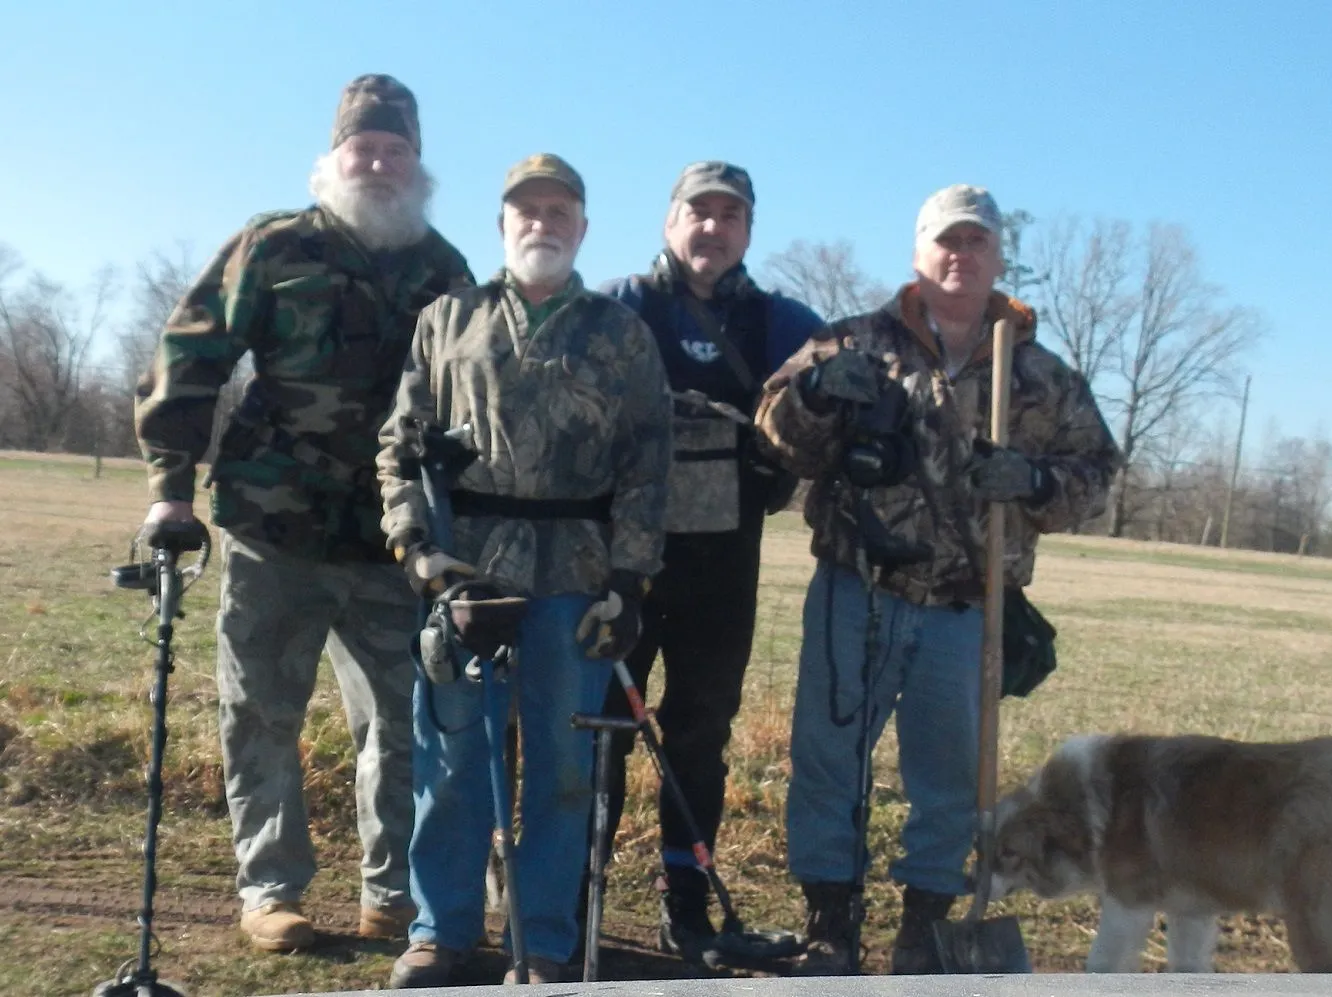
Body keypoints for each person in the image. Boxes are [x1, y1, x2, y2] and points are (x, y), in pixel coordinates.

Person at [132, 74, 472, 952]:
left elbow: (471, 402)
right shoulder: (272, 245)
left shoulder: (444, 270)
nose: (381, 162)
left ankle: (391, 892)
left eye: (397, 150)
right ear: (335, 157)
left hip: (390, 542)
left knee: (403, 725)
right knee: (262, 715)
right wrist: (170, 485)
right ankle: (270, 890)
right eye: (366, 146)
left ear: (417, 164)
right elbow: (189, 354)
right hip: (270, 527)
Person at [753, 184, 1121, 975]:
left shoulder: (1039, 375)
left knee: (949, 777)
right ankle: (830, 921)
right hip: (854, 589)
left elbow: (1098, 474)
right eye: (946, 241)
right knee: (826, 760)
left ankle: (924, 923)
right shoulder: (852, 342)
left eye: (976, 243)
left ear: (997, 258)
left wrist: (1030, 480)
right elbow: (775, 430)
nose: (961, 256)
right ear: (919, 253)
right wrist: (815, 395)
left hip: (964, 605)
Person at [378, 153, 673, 987]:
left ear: (581, 226)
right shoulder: (447, 319)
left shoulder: (620, 333)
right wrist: (425, 556)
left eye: (558, 210)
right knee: (451, 759)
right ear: (501, 223)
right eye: (525, 210)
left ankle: (542, 939)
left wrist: (629, 579)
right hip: (467, 578)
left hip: (576, 583)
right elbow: (397, 448)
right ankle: (442, 931)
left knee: (564, 769)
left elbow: (651, 465)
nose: (541, 222)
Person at [592, 161, 823, 961]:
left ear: (748, 232)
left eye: (731, 216)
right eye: (699, 212)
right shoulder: (617, 308)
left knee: (698, 740)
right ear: (669, 221)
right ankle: (574, 896)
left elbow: (826, 422)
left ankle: (684, 905)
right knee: (600, 733)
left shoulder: (784, 322)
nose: (712, 228)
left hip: (722, 569)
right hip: (619, 562)